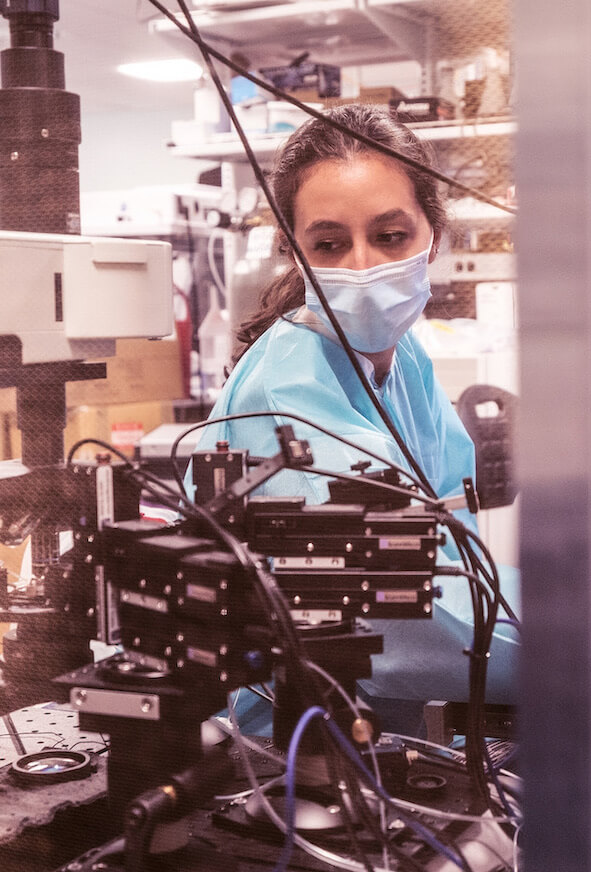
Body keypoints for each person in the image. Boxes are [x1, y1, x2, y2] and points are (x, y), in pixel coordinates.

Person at [189, 104, 518, 734]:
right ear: (295, 253)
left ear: (434, 236)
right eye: (329, 244)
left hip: (390, 729)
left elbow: (456, 557)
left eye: (390, 237)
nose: (363, 267)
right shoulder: (286, 394)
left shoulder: (404, 359)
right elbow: (411, 625)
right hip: (285, 750)